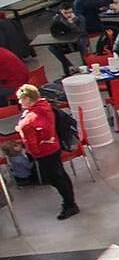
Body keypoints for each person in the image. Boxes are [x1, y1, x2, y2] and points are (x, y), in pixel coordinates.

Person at [14, 85, 77, 219]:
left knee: (56, 178)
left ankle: (70, 204)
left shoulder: (29, 121)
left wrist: (33, 151)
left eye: (21, 99)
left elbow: (31, 141)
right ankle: (69, 201)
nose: (19, 102)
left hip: (45, 152)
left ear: (27, 99)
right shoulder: (45, 107)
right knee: (59, 176)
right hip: (53, 146)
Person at [47, 3, 86, 76]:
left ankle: (85, 64)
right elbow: (54, 31)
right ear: (61, 11)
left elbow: (81, 32)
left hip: (78, 41)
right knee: (52, 47)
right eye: (65, 13)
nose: (68, 15)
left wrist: (71, 24)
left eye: (70, 12)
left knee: (81, 42)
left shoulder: (80, 18)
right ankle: (68, 66)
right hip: (65, 42)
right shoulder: (56, 19)